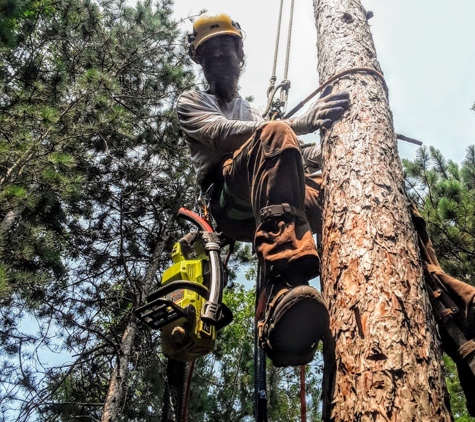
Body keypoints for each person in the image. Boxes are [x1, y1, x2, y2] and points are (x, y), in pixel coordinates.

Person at [177, 13, 350, 367]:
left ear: (240, 57)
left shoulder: (250, 110)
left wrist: (337, 150)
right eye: (210, 53)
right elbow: (223, 134)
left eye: (226, 50)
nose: (219, 57)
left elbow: (294, 153)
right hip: (227, 199)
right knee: (274, 133)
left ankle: (449, 307)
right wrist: (298, 122)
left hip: (266, 194)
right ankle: (284, 284)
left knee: (341, 188)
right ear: (200, 61)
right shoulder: (191, 101)